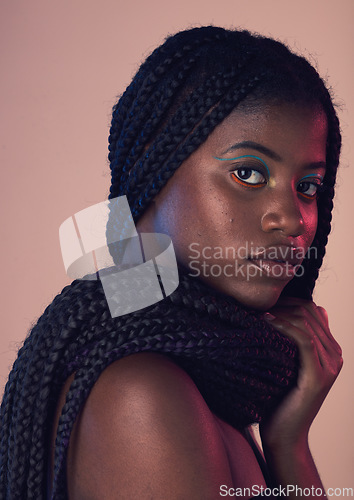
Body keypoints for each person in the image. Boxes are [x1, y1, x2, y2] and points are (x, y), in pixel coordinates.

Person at [0, 26, 343, 499]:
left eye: (308, 186)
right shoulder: (142, 396)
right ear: (153, 165)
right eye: (248, 173)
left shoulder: (198, 378)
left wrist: (289, 443)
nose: (292, 218)